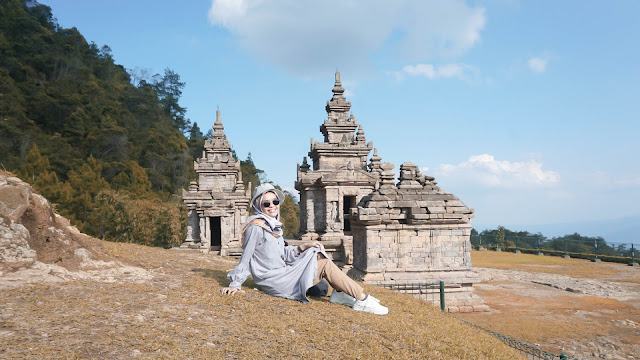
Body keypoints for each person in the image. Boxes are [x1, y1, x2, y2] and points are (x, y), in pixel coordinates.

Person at [220, 183, 388, 315]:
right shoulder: (256, 227)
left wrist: (304, 246)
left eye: (275, 201)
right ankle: (362, 298)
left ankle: (340, 293)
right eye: (266, 203)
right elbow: (246, 257)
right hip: (274, 280)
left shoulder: (272, 225)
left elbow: (282, 254)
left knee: (316, 253)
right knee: (325, 265)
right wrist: (235, 283)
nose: (272, 206)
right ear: (259, 206)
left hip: (283, 272)